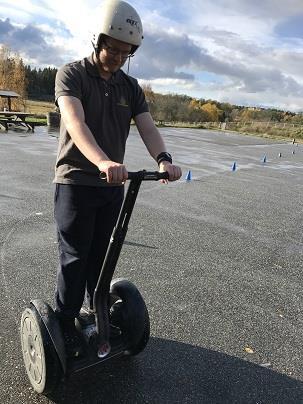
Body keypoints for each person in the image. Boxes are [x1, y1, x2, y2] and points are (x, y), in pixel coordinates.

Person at [54, 0, 182, 357]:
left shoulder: (130, 86)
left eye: (126, 53)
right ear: (98, 40)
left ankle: (97, 316)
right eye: (112, 48)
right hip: (76, 182)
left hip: (112, 187)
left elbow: (147, 126)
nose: (117, 57)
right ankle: (64, 323)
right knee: (75, 257)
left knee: (103, 255)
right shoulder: (71, 74)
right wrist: (102, 161)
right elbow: (75, 124)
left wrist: (163, 158)